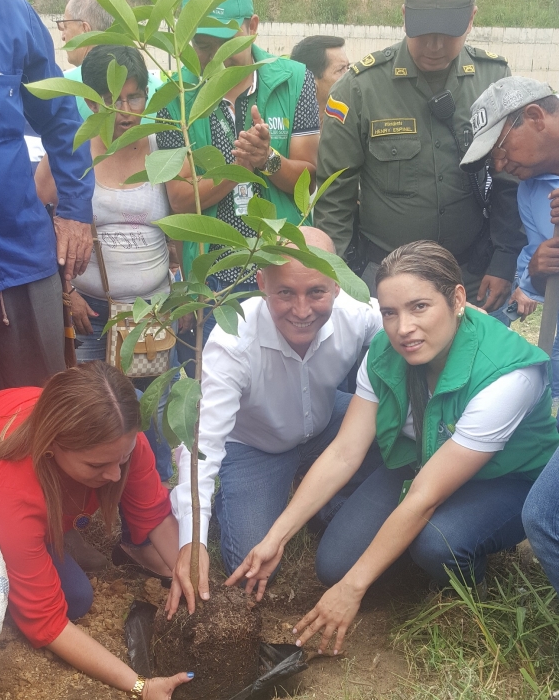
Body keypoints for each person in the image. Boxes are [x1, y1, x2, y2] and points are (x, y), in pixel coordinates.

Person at [228, 241, 557, 655]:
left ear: (457, 299)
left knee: (438, 542)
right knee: (334, 566)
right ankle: (402, 553)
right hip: (423, 458)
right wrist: (276, 536)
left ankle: (468, 579)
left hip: (507, 478)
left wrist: (354, 589)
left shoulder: (507, 377)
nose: (403, 328)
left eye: (420, 307)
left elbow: (424, 497)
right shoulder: (385, 351)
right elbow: (344, 453)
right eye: (390, 312)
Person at [166, 227, 383, 617]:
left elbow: (402, 322)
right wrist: (191, 540)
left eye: (316, 292)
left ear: (336, 283)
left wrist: (463, 316)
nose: (302, 311)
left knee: (390, 430)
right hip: (253, 444)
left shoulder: (355, 314)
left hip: (325, 423)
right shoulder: (232, 341)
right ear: (261, 282)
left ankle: (327, 505)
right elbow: (204, 443)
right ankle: (255, 503)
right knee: (252, 565)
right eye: (285, 293)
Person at [0, 361, 193, 699]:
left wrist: (191, 583)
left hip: (24, 491)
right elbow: (47, 622)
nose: (115, 475)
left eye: (122, 459)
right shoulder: (10, 490)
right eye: (97, 465)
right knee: (74, 599)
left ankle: (58, 531)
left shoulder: (117, 437)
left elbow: (153, 514)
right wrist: (140, 685)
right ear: (52, 445)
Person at [314, 0, 523, 315]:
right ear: (404, 15)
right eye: (424, 30)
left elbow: (509, 180)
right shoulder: (360, 89)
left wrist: (504, 260)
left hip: (471, 276)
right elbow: (335, 193)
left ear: (471, 19)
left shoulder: (494, 79)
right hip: (384, 281)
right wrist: (340, 278)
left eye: (448, 32)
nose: (435, 45)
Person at [35, 44, 176, 492]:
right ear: (91, 101)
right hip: (91, 311)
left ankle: (156, 495)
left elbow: (184, 221)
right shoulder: (72, 147)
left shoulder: (163, 146)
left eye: (135, 98)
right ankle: (93, 499)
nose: (125, 111)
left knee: (153, 411)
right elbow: (36, 218)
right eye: (112, 100)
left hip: (151, 314)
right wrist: (66, 291)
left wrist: (181, 288)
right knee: (94, 416)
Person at [0, 0, 94, 404]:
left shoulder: (11, 15)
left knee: (40, 414)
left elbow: (60, 119)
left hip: (18, 255)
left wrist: (76, 211)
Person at [156, 0, 320, 314]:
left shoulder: (295, 79)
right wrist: (239, 169)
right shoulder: (174, 97)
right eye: (202, 45)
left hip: (284, 268)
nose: (215, 57)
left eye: (226, 42)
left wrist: (267, 159)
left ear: (252, 27)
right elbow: (182, 200)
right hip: (211, 280)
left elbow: (308, 178)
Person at [460, 75, 559, 397]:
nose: (500, 165)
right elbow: (539, 286)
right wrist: (538, 271)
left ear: (534, 117)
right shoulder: (530, 191)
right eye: (492, 160)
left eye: (500, 149)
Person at [58, 0, 162, 122]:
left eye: (65, 26)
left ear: (85, 30)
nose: (63, 36)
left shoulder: (64, 87)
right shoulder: (161, 90)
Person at [290, 35, 350, 125]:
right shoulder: (288, 129)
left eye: (348, 67)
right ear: (310, 82)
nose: (349, 76)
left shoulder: (352, 122)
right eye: (340, 70)